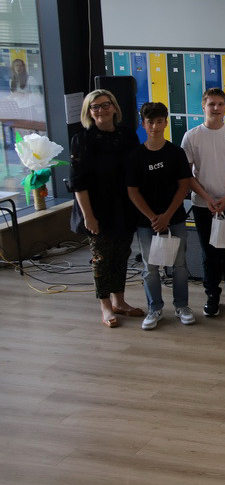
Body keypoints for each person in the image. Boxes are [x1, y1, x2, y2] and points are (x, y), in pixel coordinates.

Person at [70, 89, 142, 327]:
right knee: (102, 258)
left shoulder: (127, 135)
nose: (101, 110)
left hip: (124, 206)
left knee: (122, 254)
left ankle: (119, 301)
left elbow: (135, 171)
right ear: (89, 112)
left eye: (105, 104)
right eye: (95, 107)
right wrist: (88, 216)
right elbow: (78, 183)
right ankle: (105, 306)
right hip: (96, 208)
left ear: (114, 107)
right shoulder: (82, 139)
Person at [181, 87, 225, 318]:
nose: (216, 108)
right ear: (203, 107)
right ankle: (212, 296)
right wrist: (208, 198)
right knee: (209, 254)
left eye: (220, 104)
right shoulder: (191, 136)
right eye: (211, 104)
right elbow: (187, 174)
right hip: (204, 206)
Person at [127, 102, 194, 330]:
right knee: (151, 267)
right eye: (150, 122)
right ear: (143, 124)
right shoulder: (136, 155)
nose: (154, 127)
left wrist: (167, 215)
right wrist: (153, 217)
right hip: (147, 223)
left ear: (166, 123)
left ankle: (182, 306)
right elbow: (132, 191)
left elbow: (183, 186)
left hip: (174, 219)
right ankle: (154, 308)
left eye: (158, 122)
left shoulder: (176, 153)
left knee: (180, 265)